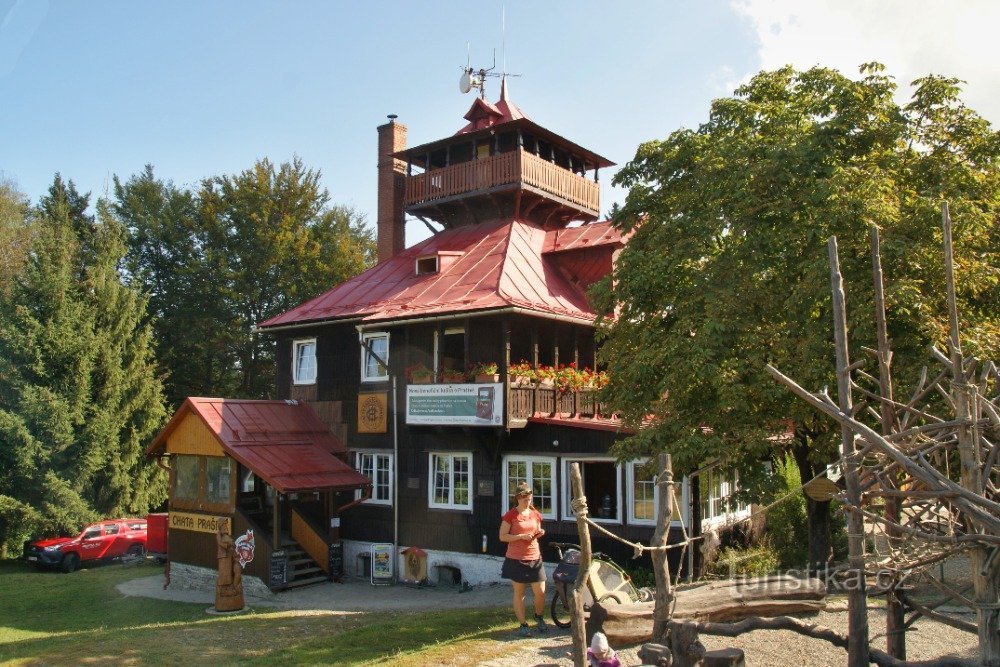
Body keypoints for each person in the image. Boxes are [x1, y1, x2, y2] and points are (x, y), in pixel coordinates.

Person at [499, 482, 548, 637]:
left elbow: (536, 530)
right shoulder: (511, 515)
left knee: (540, 591)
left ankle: (539, 617)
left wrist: (539, 533)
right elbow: (502, 536)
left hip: (534, 556)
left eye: (529, 498)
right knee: (519, 591)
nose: (528, 501)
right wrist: (520, 536)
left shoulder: (535, 514)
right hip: (516, 558)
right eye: (525, 498)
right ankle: (523, 624)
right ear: (518, 498)